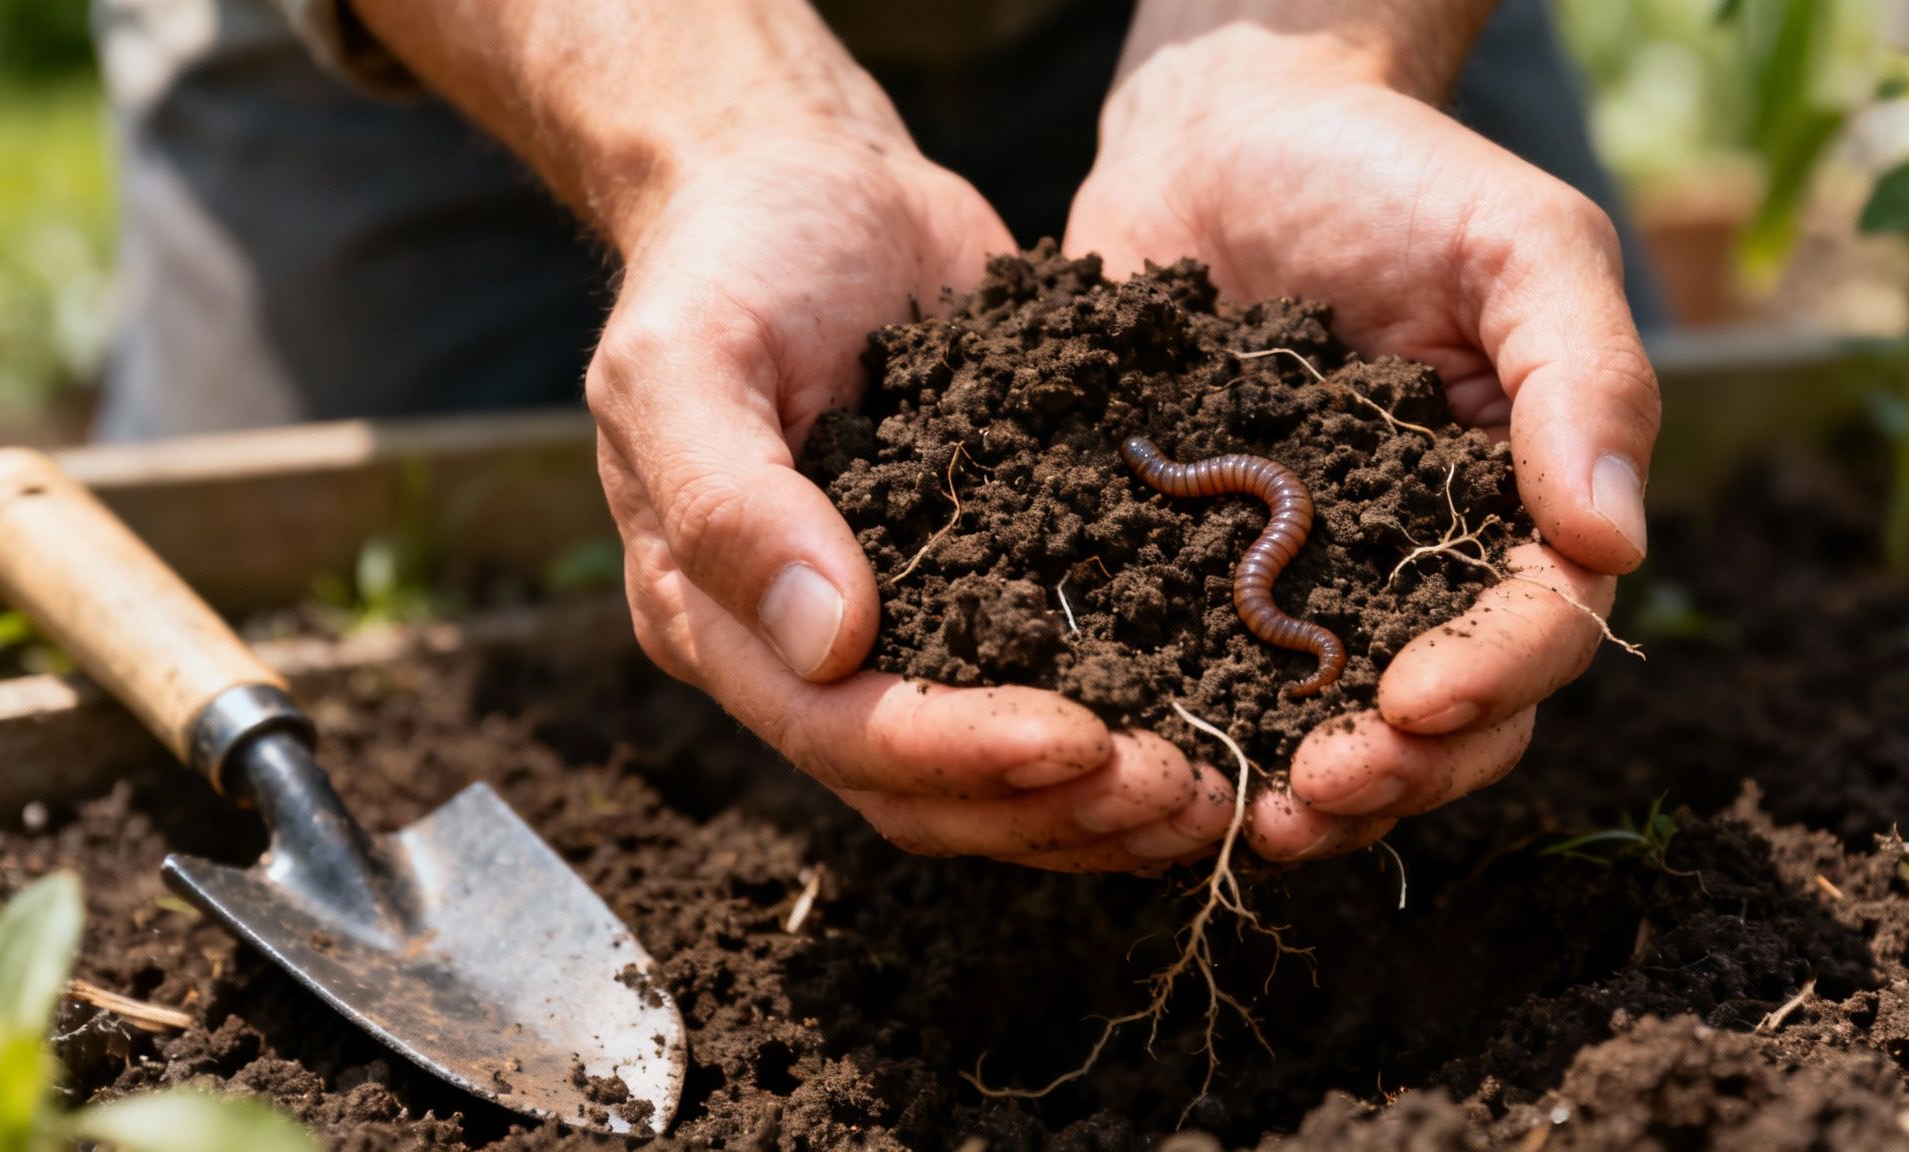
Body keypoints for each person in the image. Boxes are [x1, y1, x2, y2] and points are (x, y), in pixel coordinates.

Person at [91, 0, 1664, 873]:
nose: (1236, 525)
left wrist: (1311, 58)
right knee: (344, 543)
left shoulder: (1254, 510)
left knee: (1545, 445)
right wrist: (723, 138)